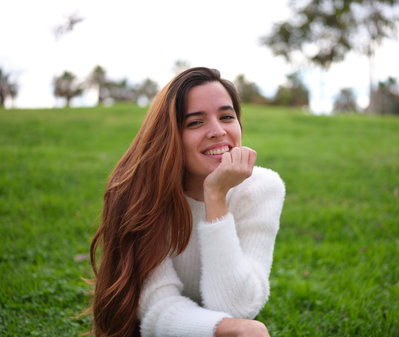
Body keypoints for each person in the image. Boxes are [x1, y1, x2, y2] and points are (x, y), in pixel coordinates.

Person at [89, 67, 285, 337]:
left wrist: (215, 197)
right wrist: (229, 328)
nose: (218, 131)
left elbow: (238, 307)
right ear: (170, 135)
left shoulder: (261, 188)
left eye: (227, 116)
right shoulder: (138, 193)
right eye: (195, 122)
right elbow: (157, 306)